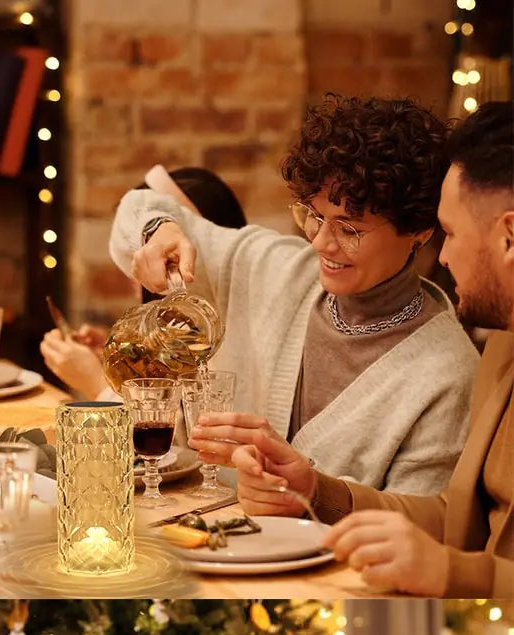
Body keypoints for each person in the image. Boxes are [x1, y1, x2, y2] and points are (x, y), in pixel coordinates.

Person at [192, 101, 514, 597]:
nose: (444, 258)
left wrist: (452, 573)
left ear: (509, 236)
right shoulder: (503, 350)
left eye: (449, 233)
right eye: (315, 218)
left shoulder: (455, 364)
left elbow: (460, 552)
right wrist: (314, 490)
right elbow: (456, 516)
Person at [111, 95, 478, 493]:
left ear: (419, 232)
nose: (321, 243)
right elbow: (139, 205)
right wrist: (159, 231)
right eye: (314, 216)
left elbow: (412, 530)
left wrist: (312, 489)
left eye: (349, 229)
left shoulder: (447, 374)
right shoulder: (276, 269)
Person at [40, 165, 247, 400]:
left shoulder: (228, 344)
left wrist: (96, 382)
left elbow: (177, 432)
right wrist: (132, 355)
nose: (134, 272)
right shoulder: (188, 330)